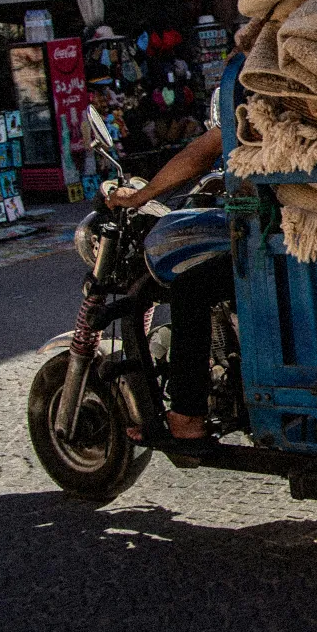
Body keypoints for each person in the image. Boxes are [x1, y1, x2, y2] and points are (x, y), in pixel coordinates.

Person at [106, 118, 224, 450]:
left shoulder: (256, 82)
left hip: (285, 235)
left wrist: (141, 196)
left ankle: (187, 417)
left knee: (190, 289)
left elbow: (203, 151)